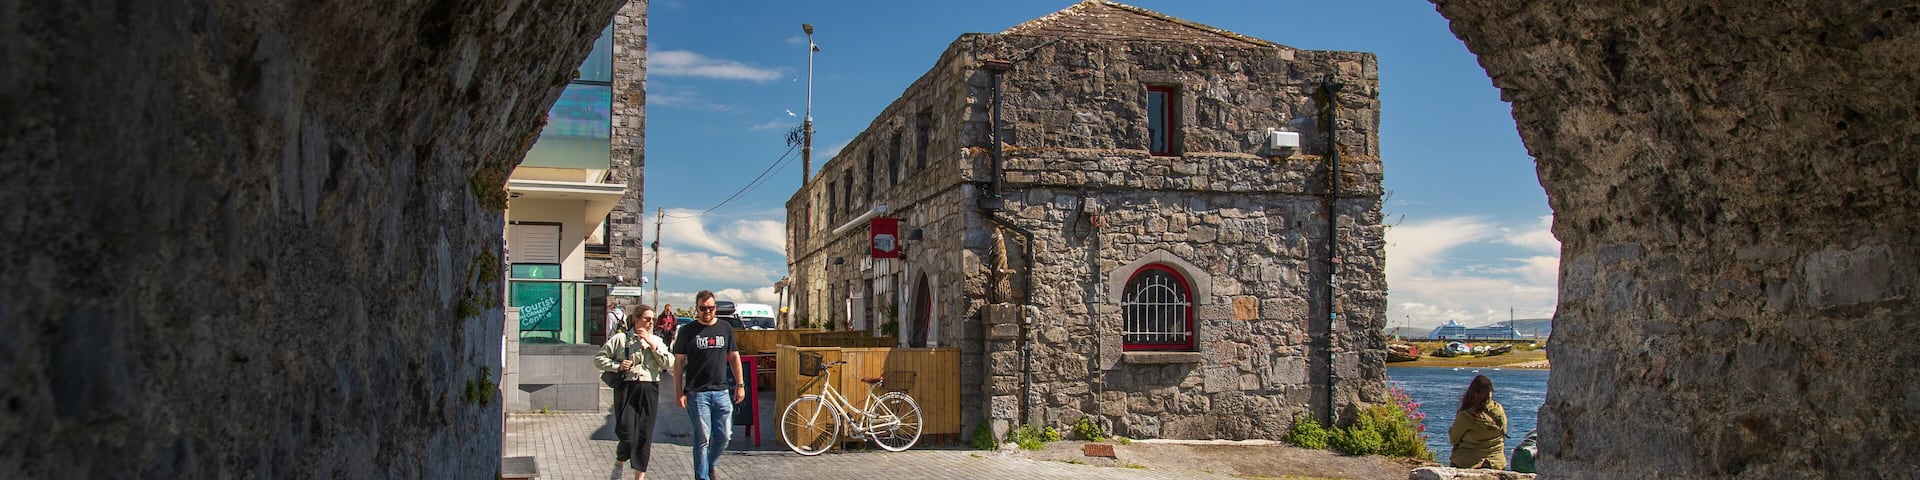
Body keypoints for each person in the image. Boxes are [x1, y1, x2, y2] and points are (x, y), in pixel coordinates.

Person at [672, 291, 745, 480]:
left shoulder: (725, 328)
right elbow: (679, 362)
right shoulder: (687, 331)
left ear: (715, 308)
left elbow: (734, 356)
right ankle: (702, 477)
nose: (707, 311)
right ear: (696, 308)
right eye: (703, 308)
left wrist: (740, 384)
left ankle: (711, 464)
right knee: (703, 438)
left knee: (724, 436)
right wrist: (679, 391)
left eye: (711, 308)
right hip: (697, 393)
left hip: (721, 391)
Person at [595, 305, 673, 479]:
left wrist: (652, 345)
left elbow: (669, 363)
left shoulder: (657, 341)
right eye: (647, 319)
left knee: (644, 434)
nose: (651, 322)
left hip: (650, 388)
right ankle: (620, 461)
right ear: (636, 319)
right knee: (627, 433)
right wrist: (617, 366)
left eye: (652, 319)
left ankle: (639, 476)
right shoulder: (621, 339)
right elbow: (599, 359)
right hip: (627, 388)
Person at [1449, 374, 1509, 469]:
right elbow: (1504, 432)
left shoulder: (1466, 415)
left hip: (1468, 462)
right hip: (1497, 463)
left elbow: (1453, 439)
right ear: (1490, 392)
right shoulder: (1499, 409)